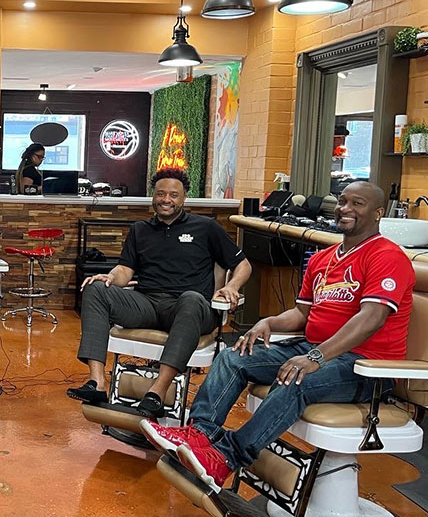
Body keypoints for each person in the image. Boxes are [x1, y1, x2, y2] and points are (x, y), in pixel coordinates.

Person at [141, 181, 413, 493]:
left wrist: (315, 357)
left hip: (365, 365)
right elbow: (303, 314)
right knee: (234, 356)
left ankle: (226, 457)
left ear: (379, 213)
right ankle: (199, 433)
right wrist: (269, 322)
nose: (345, 209)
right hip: (314, 349)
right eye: (342, 201)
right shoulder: (323, 258)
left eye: (358, 204)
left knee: (295, 379)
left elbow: (372, 318)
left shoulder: (386, 256)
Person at [67, 167, 251, 417]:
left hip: (191, 309)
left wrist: (231, 286)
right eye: (161, 194)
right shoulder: (140, 230)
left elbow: (243, 264)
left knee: (191, 298)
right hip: (148, 303)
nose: (166, 200)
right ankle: (96, 382)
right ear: (153, 196)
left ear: (184, 197)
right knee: (96, 288)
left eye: (173, 195)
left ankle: (157, 392)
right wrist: (110, 277)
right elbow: (125, 269)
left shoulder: (206, 227)